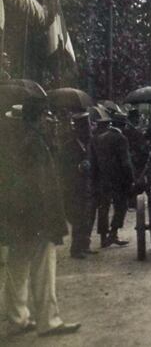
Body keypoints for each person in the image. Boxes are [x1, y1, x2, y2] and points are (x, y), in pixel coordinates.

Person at [1, 94, 81, 337]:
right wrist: (53, 221)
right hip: (37, 217)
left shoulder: (12, 140)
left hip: (15, 216)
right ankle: (48, 320)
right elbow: (43, 187)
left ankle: (18, 319)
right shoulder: (36, 144)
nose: (52, 119)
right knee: (43, 267)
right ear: (39, 117)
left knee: (16, 267)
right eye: (48, 115)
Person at [90, 107, 134, 248]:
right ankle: (113, 233)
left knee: (104, 206)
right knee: (121, 206)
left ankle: (103, 236)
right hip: (118, 179)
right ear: (123, 125)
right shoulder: (121, 139)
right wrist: (131, 179)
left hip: (103, 178)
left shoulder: (100, 138)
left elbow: (95, 160)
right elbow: (125, 162)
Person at [57, 113, 96, 259]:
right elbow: (63, 168)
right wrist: (78, 167)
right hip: (74, 188)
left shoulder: (88, 144)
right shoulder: (69, 146)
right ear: (79, 129)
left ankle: (84, 245)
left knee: (86, 217)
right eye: (86, 127)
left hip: (86, 187)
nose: (89, 131)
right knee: (78, 219)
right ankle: (76, 249)